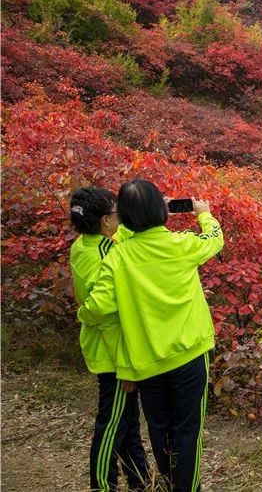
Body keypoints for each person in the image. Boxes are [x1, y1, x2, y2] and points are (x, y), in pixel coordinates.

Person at [78, 180, 224, 492]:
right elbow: (214, 239)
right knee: (188, 430)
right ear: (162, 211)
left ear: (124, 218)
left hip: (147, 362)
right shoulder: (182, 245)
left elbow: (98, 307)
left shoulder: (117, 258)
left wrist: (82, 314)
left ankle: (170, 481)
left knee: (160, 428)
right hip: (190, 353)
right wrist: (204, 214)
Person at [69, 187, 148, 492]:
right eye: (117, 213)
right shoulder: (106, 255)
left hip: (105, 349)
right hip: (114, 354)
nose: (121, 217)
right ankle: (103, 485)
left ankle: (140, 481)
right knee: (112, 424)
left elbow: (119, 237)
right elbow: (106, 315)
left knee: (126, 422)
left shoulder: (84, 245)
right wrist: (127, 365)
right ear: (104, 220)